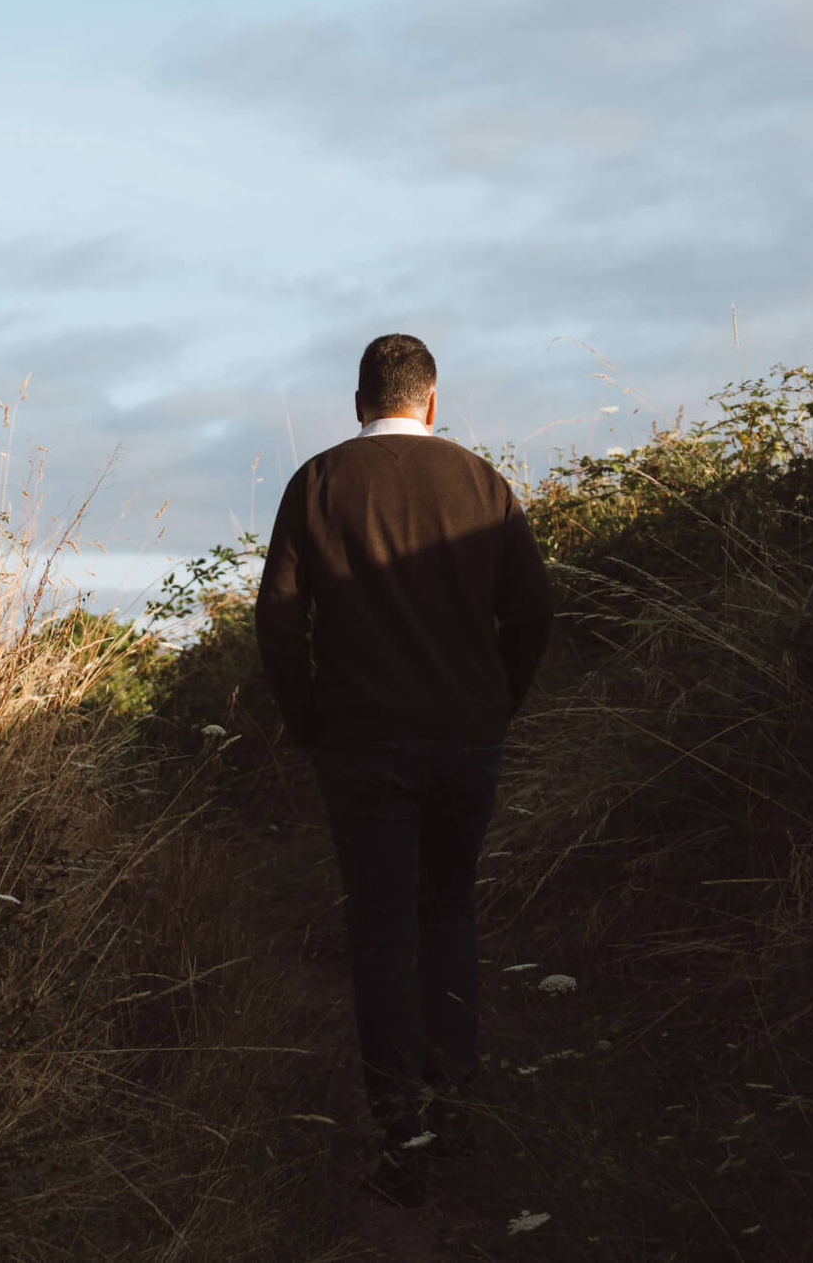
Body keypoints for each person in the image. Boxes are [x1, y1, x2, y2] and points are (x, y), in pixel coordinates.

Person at [254, 333, 557, 1208]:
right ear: (430, 400)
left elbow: (277, 620)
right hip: (467, 735)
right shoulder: (481, 483)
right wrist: (499, 700)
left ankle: (403, 1133)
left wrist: (307, 716)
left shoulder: (317, 481)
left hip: (361, 744)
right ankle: (456, 1103)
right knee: (449, 906)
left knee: (382, 930)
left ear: (359, 403)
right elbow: (533, 608)